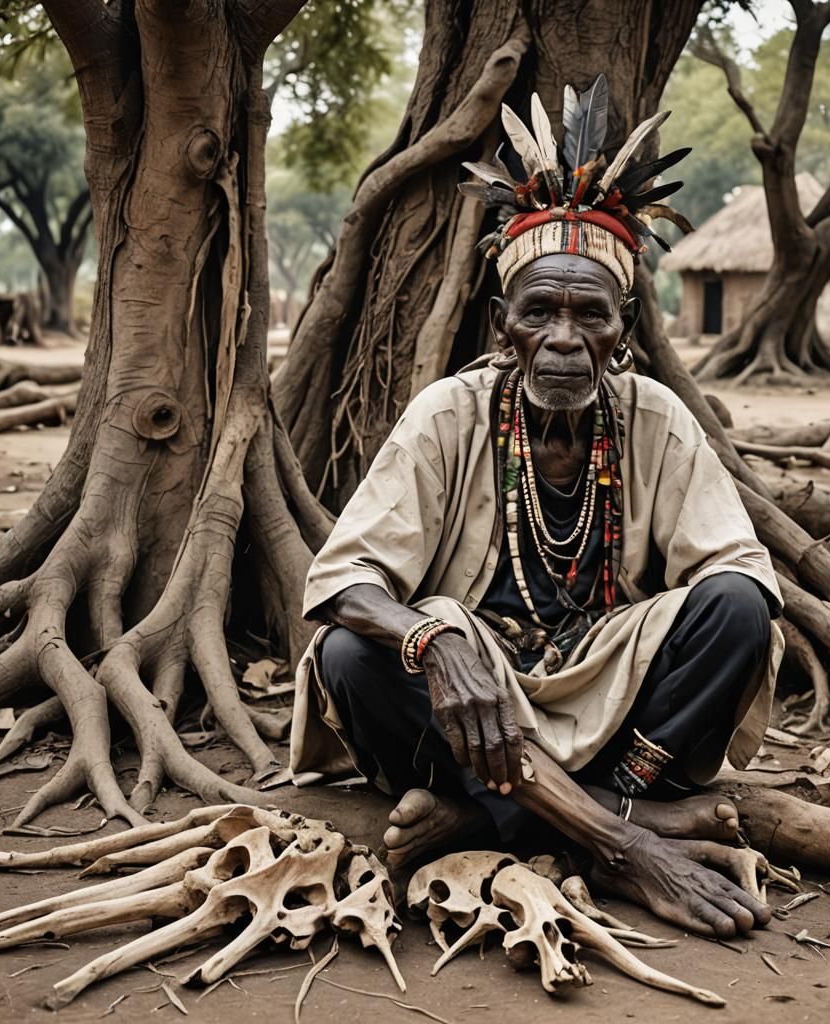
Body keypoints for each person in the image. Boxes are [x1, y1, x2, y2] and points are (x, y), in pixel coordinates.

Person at [289, 78, 784, 940]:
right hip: (470, 702)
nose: (563, 337)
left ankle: (516, 815)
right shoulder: (449, 413)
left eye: (588, 314)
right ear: (502, 325)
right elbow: (341, 579)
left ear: (621, 329)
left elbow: (735, 571)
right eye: (539, 312)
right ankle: (621, 836)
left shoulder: (656, 418)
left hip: (607, 685)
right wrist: (434, 640)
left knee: (741, 612)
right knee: (347, 658)